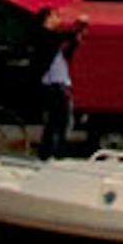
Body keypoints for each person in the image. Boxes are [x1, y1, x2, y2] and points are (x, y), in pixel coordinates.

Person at [39, 16, 82, 153]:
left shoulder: (54, 43)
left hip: (60, 83)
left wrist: (76, 37)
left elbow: (68, 51)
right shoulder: (45, 36)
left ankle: (49, 151)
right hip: (53, 84)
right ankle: (54, 151)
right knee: (59, 119)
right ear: (47, 19)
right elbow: (61, 37)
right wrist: (77, 26)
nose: (58, 19)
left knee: (57, 120)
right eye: (55, 16)